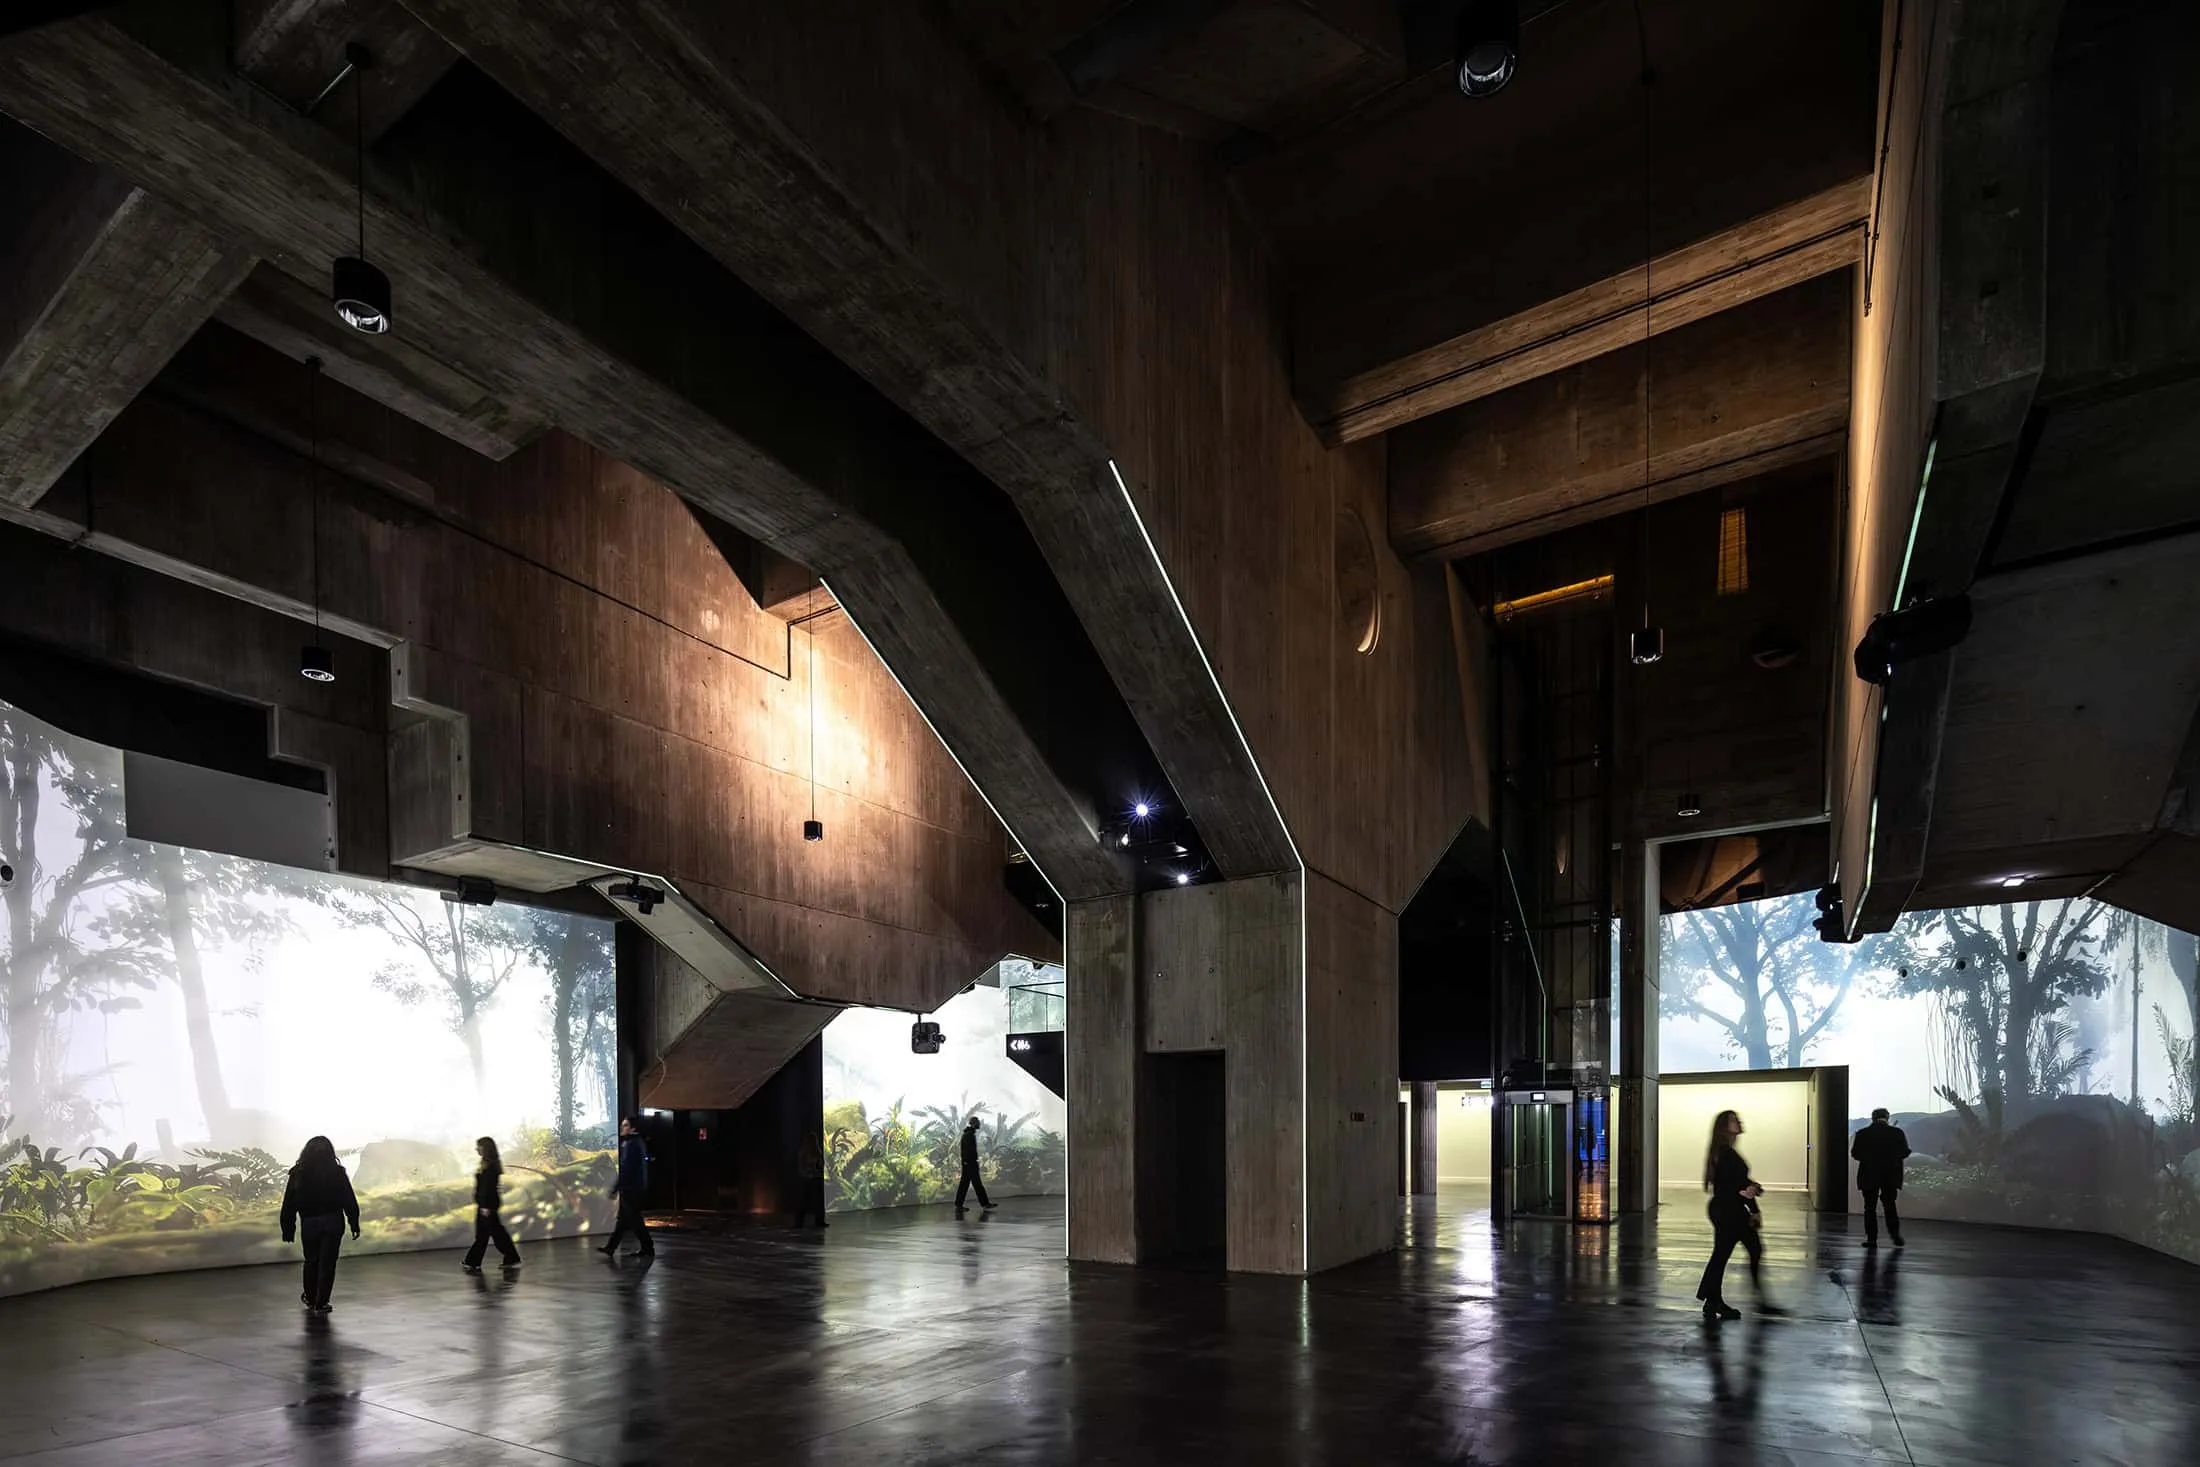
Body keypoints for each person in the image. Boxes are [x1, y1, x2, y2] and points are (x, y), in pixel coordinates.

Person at [1694, 1110, 1770, 1322]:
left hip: (1726, 1209)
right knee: (1746, 1250)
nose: (1739, 1121)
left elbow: (1738, 1182)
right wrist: (1753, 1206)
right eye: (1733, 1120)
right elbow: (1737, 1185)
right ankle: (1758, 1301)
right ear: (1724, 1127)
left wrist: (1751, 1187)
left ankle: (1712, 1300)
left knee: (1724, 1254)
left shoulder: (1723, 1151)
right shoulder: (1726, 1152)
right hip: (1730, 1211)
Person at [279, 1136, 360, 1314]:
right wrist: (354, 1222)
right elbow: (349, 1199)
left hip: (309, 1223)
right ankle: (322, 1302)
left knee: (311, 1262)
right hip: (333, 1221)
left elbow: (289, 1203)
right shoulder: (337, 1172)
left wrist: (288, 1228)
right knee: (328, 1263)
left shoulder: (298, 1173)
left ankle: (310, 1297)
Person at [1852, 1107, 1912, 1248]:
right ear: (1887, 1117)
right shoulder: (1897, 1133)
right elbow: (1905, 1151)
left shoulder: (1863, 1133)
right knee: (1890, 1205)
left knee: (1870, 1208)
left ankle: (1872, 1239)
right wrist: (1893, 1160)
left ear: (1872, 1118)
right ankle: (1895, 1236)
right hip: (1890, 1176)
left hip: (1868, 1175)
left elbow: (1855, 1153)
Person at [461, 1136, 522, 1272]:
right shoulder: (488, 1163)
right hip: (486, 1205)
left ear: (485, 1148)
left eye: (479, 1146)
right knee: (492, 1234)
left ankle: (473, 1262)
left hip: (487, 1206)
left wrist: (485, 1206)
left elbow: (487, 1188)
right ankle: (474, 1261)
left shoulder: (491, 1166)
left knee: (491, 1234)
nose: (476, 1149)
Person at [600, 1115, 655, 1257]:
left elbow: (626, 1169)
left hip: (631, 1188)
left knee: (634, 1220)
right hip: (634, 1187)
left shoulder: (631, 1144)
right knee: (624, 1220)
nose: (621, 1127)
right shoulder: (636, 1142)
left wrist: (615, 1188)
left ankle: (647, 1247)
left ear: (633, 1128)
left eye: (625, 1125)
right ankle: (611, 1247)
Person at [954, 1114, 994, 1214]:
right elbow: (967, 1151)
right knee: (973, 1184)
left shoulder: (969, 1134)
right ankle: (984, 1204)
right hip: (969, 1164)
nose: (979, 1124)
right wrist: (969, 1162)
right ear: (974, 1124)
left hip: (969, 1163)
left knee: (968, 1184)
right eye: (978, 1122)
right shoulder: (968, 1135)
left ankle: (960, 1204)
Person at [793, 1128, 828, 1228]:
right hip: (807, 1179)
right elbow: (801, 1167)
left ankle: (819, 1221)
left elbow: (820, 1165)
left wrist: (818, 1165)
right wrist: (807, 1173)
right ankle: (799, 1223)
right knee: (804, 1202)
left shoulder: (817, 1152)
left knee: (818, 1202)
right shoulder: (803, 1153)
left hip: (816, 1179)